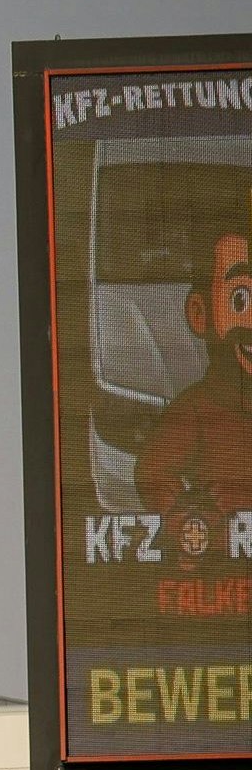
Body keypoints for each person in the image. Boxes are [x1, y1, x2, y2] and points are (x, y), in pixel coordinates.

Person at [136, 210, 252, 572]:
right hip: (221, 574)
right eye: (240, 300)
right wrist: (190, 517)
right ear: (200, 313)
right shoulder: (198, 409)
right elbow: (152, 474)